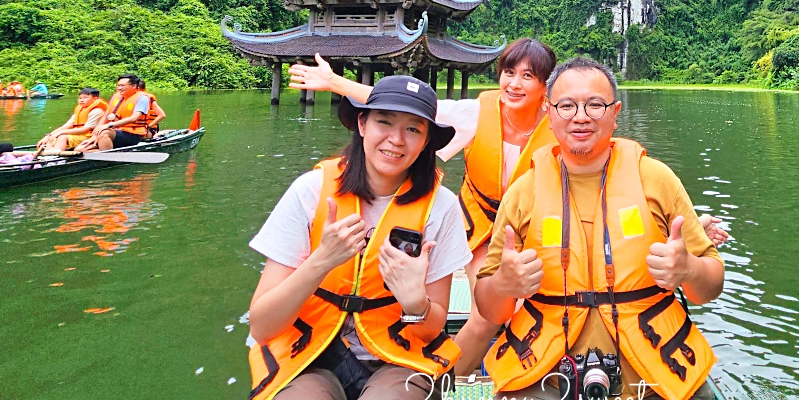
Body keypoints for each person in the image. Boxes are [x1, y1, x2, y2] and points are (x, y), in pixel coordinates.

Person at [291, 43, 730, 374]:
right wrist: (335, 83)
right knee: (487, 310)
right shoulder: (473, 114)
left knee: (540, 297)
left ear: (545, 91)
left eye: (528, 77)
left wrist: (683, 231)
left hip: (541, 226)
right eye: (507, 73)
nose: (514, 84)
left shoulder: (565, 123)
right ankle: (447, 378)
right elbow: (405, 106)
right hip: (484, 226)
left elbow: (614, 178)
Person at [464, 57, 732, 400]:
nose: (581, 117)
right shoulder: (523, 192)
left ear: (615, 113)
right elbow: (490, 308)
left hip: (655, 389)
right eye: (567, 106)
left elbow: (710, 287)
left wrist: (688, 269)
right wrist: (504, 284)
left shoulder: (655, 179)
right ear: (549, 112)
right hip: (544, 387)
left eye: (595, 105)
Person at [246, 75, 473, 400]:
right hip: (311, 356)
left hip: (399, 360)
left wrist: (414, 300)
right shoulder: (311, 190)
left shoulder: (441, 208)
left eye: (413, 129)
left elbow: (431, 329)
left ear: (427, 140)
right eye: (384, 122)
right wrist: (321, 261)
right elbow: (262, 326)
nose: (397, 140)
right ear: (363, 124)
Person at [81, 74, 149, 150]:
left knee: (104, 133)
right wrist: (95, 135)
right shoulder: (116, 96)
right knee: (80, 149)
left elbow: (134, 118)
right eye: (118, 85)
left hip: (133, 134)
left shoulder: (142, 98)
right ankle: (103, 154)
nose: (119, 88)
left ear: (133, 86)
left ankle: (107, 158)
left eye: (123, 85)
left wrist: (109, 125)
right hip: (115, 131)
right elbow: (106, 115)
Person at [37, 88, 108, 154]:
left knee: (62, 137)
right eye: (80, 98)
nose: (81, 100)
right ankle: (49, 155)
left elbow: (85, 130)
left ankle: (55, 157)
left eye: (85, 98)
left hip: (89, 135)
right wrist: (49, 136)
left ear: (95, 99)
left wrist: (60, 132)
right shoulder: (80, 109)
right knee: (51, 140)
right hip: (79, 134)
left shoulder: (97, 111)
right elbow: (67, 126)